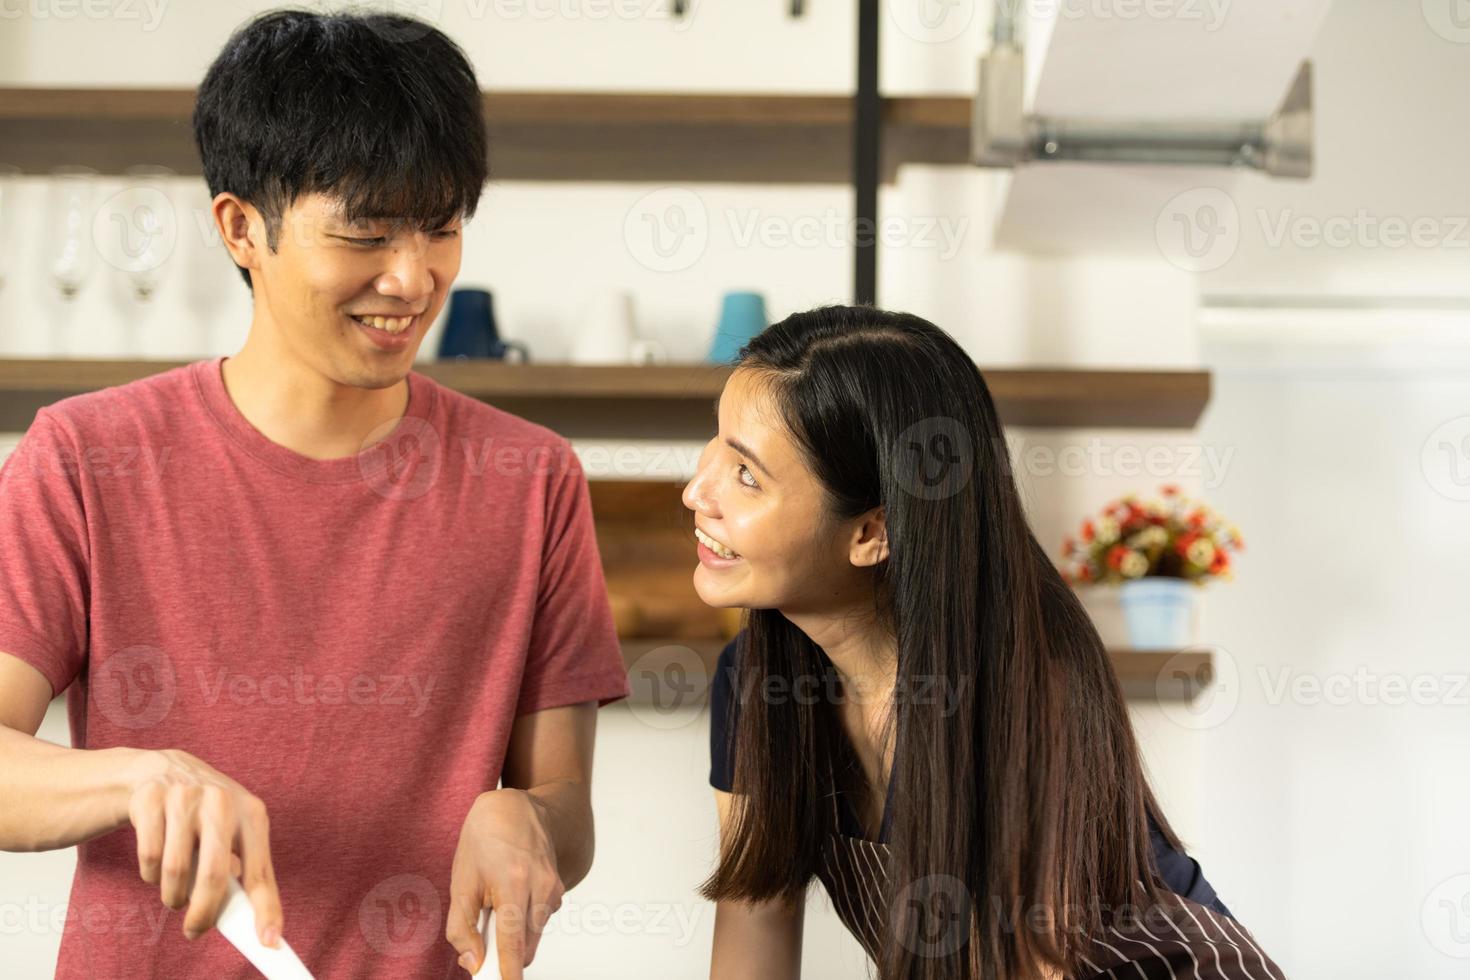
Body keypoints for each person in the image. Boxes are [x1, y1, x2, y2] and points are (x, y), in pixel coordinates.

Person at [0, 11, 628, 979]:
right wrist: (140, 774)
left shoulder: (530, 479)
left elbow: (565, 807)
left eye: (444, 224)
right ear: (242, 227)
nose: (414, 276)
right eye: (366, 232)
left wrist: (528, 815)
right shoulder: (86, 456)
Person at [683, 306, 1284, 979]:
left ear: (871, 533)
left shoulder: (1023, 687)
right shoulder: (759, 680)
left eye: (746, 476)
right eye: (716, 446)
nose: (693, 492)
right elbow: (753, 937)